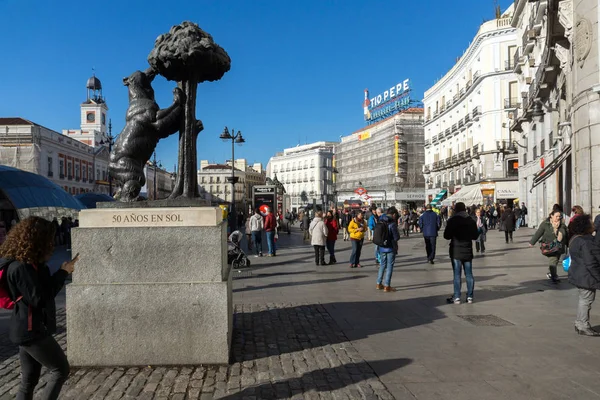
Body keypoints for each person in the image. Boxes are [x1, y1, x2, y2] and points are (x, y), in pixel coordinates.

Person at [1, 217, 77, 400]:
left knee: (29, 379)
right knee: (60, 369)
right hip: (31, 331)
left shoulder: (29, 263)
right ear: (38, 239)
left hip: (26, 328)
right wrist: (62, 273)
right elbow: (40, 298)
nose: (51, 243)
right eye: (48, 239)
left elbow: (40, 290)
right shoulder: (21, 267)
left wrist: (59, 270)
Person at [566, 214, 600, 336]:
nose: (593, 225)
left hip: (579, 274)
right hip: (586, 276)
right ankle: (582, 324)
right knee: (586, 300)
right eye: (591, 223)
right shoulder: (586, 241)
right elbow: (590, 263)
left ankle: (580, 323)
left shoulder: (575, 238)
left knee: (584, 299)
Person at [443, 202, 479, 304]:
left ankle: (457, 296)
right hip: (467, 250)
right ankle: (470, 297)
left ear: (456, 210)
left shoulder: (452, 221)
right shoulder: (470, 221)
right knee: (469, 274)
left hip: (456, 251)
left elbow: (446, 235)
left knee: (457, 274)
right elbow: (475, 236)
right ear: (465, 209)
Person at [529, 209, 568, 283]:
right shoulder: (545, 223)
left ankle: (550, 272)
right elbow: (539, 232)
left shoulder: (562, 224)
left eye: (559, 216)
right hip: (549, 246)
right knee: (553, 260)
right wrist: (532, 242)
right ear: (551, 216)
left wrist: (558, 230)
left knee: (555, 260)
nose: (558, 218)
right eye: (556, 216)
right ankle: (554, 276)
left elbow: (565, 233)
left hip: (559, 246)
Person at [376, 207, 401, 292]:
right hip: (390, 247)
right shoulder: (392, 223)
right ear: (393, 214)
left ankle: (378, 283)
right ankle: (387, 285)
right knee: (390, 266)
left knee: (382, 265)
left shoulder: (380, 220)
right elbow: (396, 237)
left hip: (381, 247)